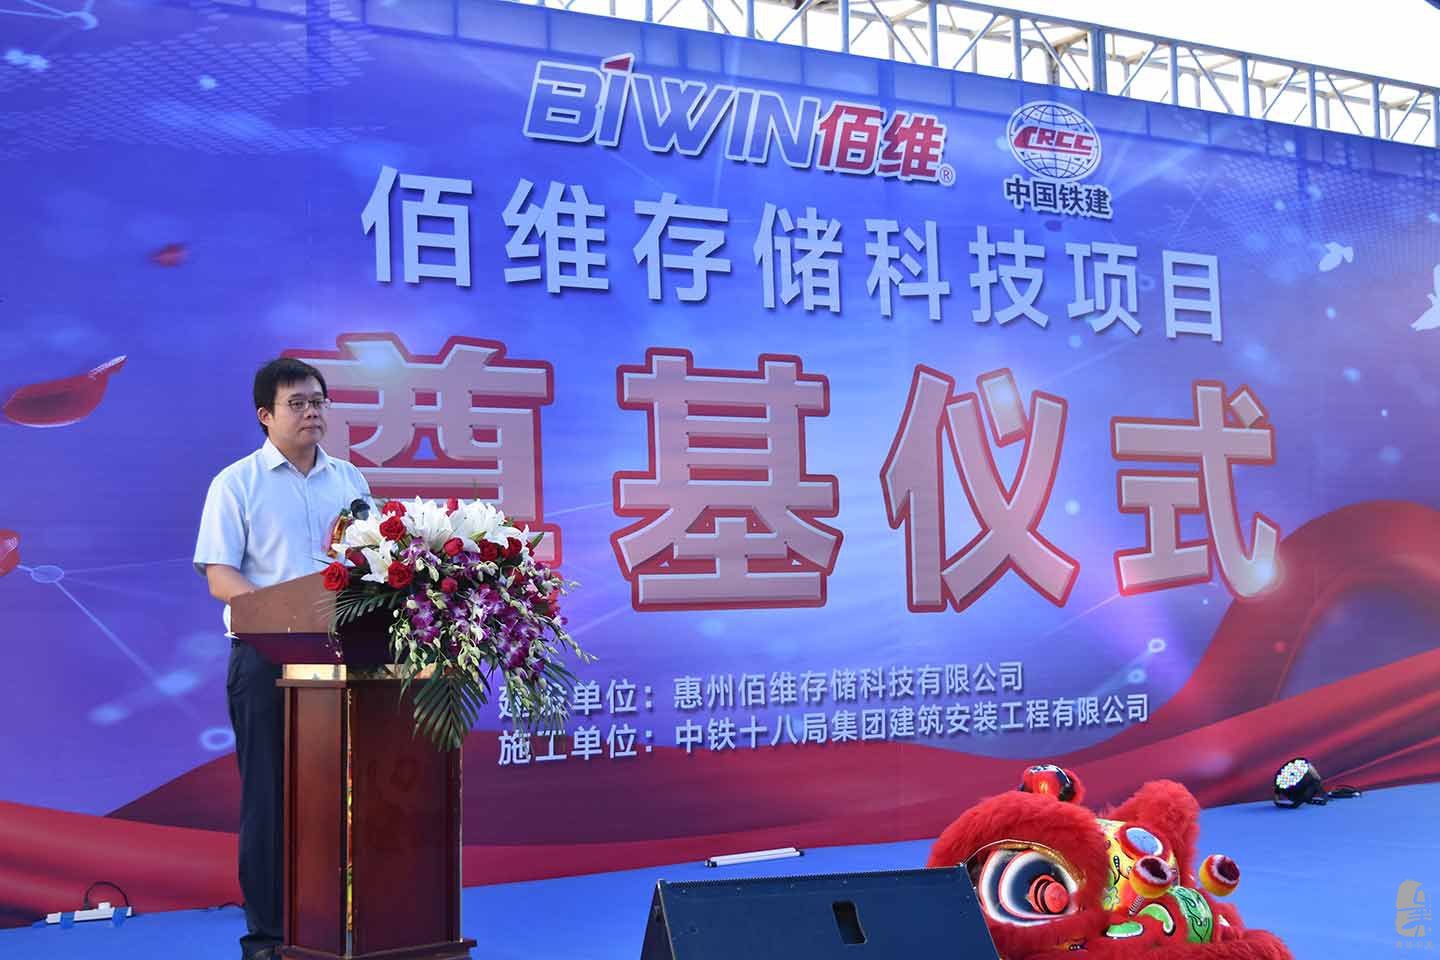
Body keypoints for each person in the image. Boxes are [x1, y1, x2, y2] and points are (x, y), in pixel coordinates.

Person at [193, 358, 370, 960]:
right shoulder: (236, 483)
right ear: (265, 415)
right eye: (297, 403)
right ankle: (268, 937)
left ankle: (336, 920)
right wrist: (280, 617)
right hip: (265, 657)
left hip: (341, 656)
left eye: (318, 401)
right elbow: (220, 575)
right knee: (268, 800)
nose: (311, 411)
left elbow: (368, 565)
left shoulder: (350, 481)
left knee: (337, 792)